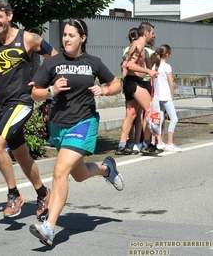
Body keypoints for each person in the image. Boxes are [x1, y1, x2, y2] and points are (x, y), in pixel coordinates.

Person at [27, 19, 124, 246]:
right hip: (59, 125)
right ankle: (106, 168)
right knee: (78, 175)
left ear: (83, 37)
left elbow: (116, 83)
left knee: (60, 171)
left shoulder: (93, 62)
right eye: (64, 35)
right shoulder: (53, 63)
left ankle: (49, 228)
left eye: (71, 35)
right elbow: (35, 93)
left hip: (84, 122)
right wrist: (51, 90)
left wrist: (105, 90)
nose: (66, 39)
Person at [0, 0, 58, 219]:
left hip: (21, 102)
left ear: (9, 16)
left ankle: (14, 194)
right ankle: (43, 193)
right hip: (0, 105)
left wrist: (44, 83)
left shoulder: (29, 38)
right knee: (22, 155)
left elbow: (55, 58)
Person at [117, 22, 163, 155]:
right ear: (146, 33)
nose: (153, 36)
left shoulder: (135, 45)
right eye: (152, 33)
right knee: (151, 110)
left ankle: (121, 145)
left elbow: (126, 64)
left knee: (130, 115)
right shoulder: (138, 45)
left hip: (130, 82)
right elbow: (130, 65)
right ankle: (147, 144)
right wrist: (148, 72)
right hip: (135, 82)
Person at [149, 44, 181, 152]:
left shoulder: (154, 66)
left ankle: (159, 142)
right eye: (170, 53)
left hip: (157, 97)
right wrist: (172, 96)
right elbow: (171, 83)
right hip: (166, 96)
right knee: (174, 118)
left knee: (160, 119)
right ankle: (170, 143)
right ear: (167, 54)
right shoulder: (167, 66)